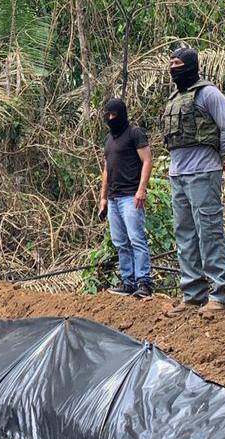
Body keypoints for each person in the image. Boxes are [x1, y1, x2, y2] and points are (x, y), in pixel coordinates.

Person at [160, 47, 225, 315]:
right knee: (185, 235)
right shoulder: (175, 97)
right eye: (170, 63)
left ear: (191, 66)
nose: (173, 67)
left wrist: (219, 156)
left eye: (178, 63)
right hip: (178, 175)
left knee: (209, 232)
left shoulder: (209, 94)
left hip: (204, 172)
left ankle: (221, 295)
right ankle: (192, 294)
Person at [98, 98, 154, 297]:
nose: (111, 118)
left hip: (131, 196)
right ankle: (128, 281)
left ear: (122, 114)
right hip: (113, 198)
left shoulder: (134, 133)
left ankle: (144, 282)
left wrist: (141, 190)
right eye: (107, 115)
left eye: (114, 114)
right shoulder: (108, 140)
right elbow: (106, 169)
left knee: (136, 239)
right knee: (120, 242)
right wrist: (103, 197)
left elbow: (147, 161)